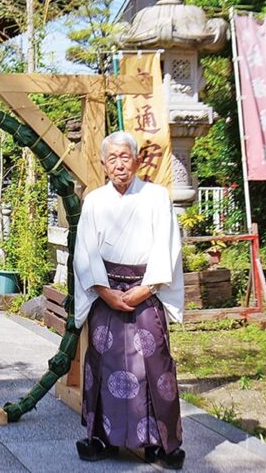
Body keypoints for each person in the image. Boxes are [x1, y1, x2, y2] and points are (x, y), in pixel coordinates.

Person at [73, 131, 186, 469]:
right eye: (113, 158)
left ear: (137, 160)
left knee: (154, 365)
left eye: (126, 157)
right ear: (104, 164)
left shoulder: (156, 197)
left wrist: (146, 288)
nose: (120, 164)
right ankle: (103, 437)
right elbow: (86, 250)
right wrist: (104, 291)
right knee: (103, 364)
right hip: (105, 292)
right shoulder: (94, 201)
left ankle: (161, 443)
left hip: (145, 291)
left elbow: (167, 245)